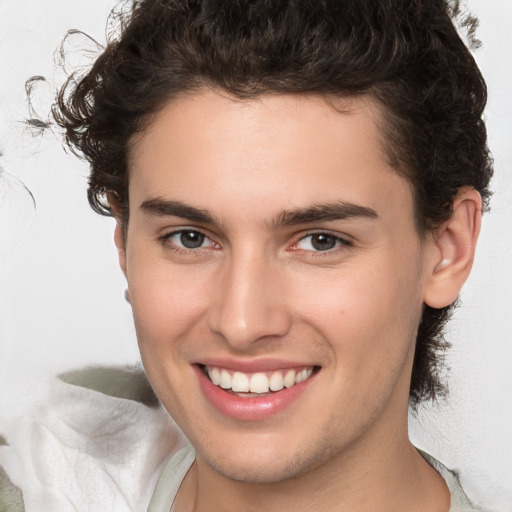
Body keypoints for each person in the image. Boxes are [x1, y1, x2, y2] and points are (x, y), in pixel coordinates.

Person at [0, 0, 504, 510]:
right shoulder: (41, 476)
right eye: (190, 238)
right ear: (124, 239)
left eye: (320, 241)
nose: (241, 323)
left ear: (447, 249)